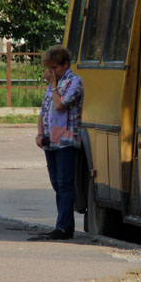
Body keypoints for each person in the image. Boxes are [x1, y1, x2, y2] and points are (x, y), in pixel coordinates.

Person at [33, 45, 83, 241]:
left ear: (65, 65)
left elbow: (61, 105)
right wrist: (39, 134)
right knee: (56, 184)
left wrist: (54, 85)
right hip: (50, 142)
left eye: (54, 67)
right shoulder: (52, 85)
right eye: (48, 68)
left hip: (66, 141)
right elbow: (44, 110)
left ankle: (64, 227)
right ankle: (61, 225)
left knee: (65, 184)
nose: (50, 72)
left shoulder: (74, 82)